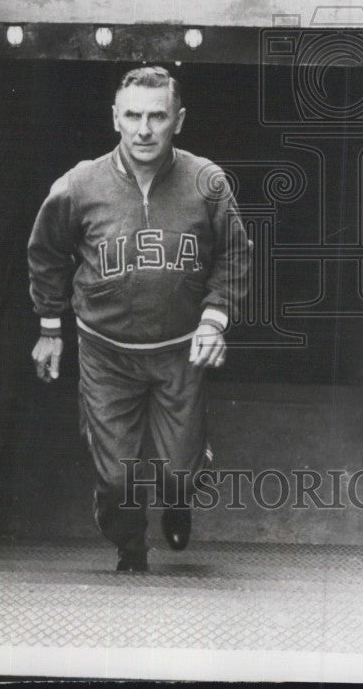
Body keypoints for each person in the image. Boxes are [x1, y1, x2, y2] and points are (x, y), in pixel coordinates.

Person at [27, 66, 249, 572]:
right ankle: (130, 544)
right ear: (115, 119)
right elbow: (45, 253)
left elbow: (235, 252)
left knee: (178, 472)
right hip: (106, 353)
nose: (144, 129)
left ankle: (179, 496)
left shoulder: (206, 182)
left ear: (179, 119)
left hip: (179, 350)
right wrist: (48, 328)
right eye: (133, 115)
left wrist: (215, 317)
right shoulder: (79, 186)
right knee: (118, 480)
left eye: (157, 116)